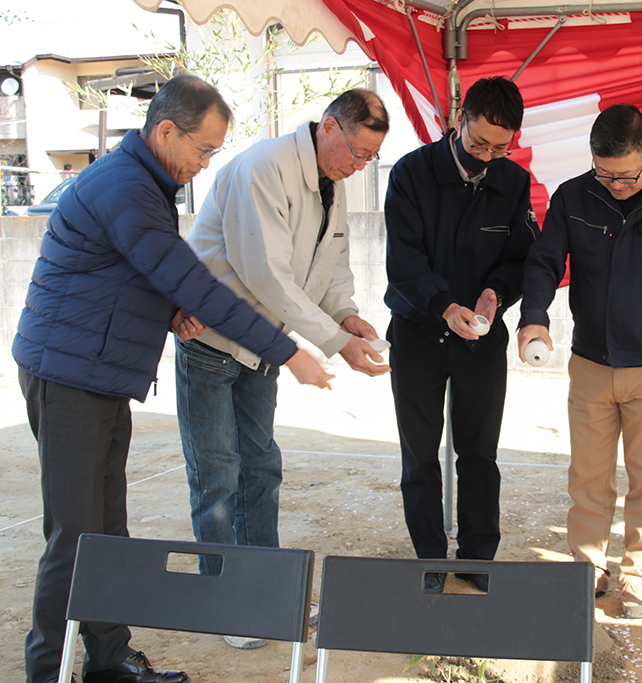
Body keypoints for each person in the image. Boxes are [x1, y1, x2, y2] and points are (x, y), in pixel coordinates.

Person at [12, 74, 333, 683]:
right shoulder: (125, 187)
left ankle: (106, 659)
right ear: (166, 131)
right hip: (67, 377)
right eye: (204, 150)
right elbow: (192, 282)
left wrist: (167, 309)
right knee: (74, 539)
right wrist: (288, 352)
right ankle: (46, 671)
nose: (206, 164)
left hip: (99, 376)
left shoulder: (148, 182)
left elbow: (125, 273)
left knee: (108, 531)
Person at [174, 89, 390, 649]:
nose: (358, 166)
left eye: (369, 159)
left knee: (261, 468)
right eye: (358, 153)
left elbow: (332, 261)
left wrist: (346, 314)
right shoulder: (262, 167)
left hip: (263, 346)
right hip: (213, 340)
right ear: (330, 128)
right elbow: (265, 273)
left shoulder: (332, 181)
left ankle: (265, 593)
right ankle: (226, 604)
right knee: (217, 476)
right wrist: (333, 341)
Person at [517, 103, 642, 619]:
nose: (615, 184)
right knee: (588, 475)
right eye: (604, 173)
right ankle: (587, 567)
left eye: (627, 174)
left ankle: (638, 575)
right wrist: (534, 316)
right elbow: (545, 262)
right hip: (590, 363)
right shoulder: (574, 196)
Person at [384, 76, 537, 593]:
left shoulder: (513, 183)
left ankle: (478, 560)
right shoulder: (411, 173)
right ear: (459, 119)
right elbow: (402, 263)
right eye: (478, 143)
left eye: (500, 147)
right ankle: (429, 558)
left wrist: (496, 293)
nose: (487, 155)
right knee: (420, 454)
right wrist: (444, 306)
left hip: (482, 339)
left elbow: (520, 258)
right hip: (418, 333)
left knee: (479, 454)